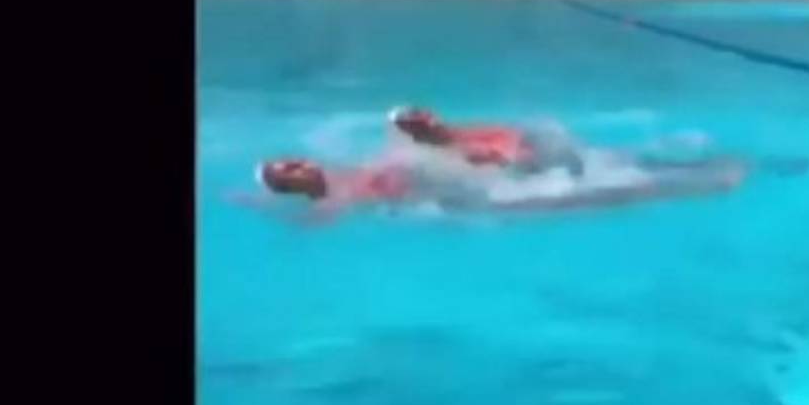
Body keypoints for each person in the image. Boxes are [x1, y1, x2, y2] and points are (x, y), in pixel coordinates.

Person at [247, 152, 745, 223]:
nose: (299, 162)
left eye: (290, 159)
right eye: (287, 170)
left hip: (472, 182)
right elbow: (320, 219)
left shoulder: (341, 173)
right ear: (292, 186)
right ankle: (702, 185)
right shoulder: (332, 199)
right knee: (584, 197)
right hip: (471, 203)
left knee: (583, 165)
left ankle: (695, 168)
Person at [388, 106, 585, 177]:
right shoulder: (445, 143)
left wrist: (504, 158)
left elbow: (500, 153)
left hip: (520, 149)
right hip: (515, 145)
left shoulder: (459, 145)